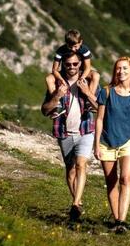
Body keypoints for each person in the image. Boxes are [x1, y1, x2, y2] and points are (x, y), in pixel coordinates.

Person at [41, 51, 98, 223]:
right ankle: (78, 203)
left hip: (85, 130)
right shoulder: (57, 83)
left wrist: (87, 92)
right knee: (70, 170)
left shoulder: (88, 81)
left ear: (81, 64)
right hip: (64, 132)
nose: (72, 67)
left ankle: (74, 203)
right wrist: (57, 95)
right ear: (63, 65)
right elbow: (45, 110)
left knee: (81, 165)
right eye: (68, 64)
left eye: (75, 64)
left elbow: (100, 107)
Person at [94, 56, 130, 234]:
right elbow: (99, 119)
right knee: (111, 182)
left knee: (126, 178)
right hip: (106, 143)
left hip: (127, 143)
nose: (121, 71)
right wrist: (95, 145)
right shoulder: (106, 92)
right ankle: (117, 220)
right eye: (118, 68)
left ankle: (122, 221)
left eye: (125, 68)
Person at [46, 29, 100, 95]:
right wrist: (61, 79)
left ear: (80, 42)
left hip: (81, 72)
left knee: (96, 75)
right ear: (66, 44)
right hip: (65, 71)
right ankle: (55, 99)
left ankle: (90, 96)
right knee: (49, 78)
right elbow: (54, 69)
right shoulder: (61, 50)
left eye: (75, 46)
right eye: (70, 47)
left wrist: (82, 78)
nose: (73, 49)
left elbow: (87, 68)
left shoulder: (84, 50)